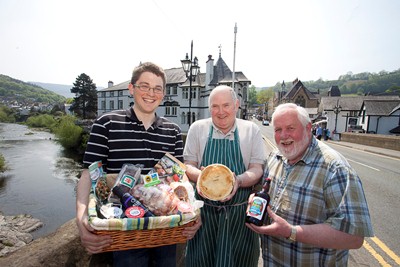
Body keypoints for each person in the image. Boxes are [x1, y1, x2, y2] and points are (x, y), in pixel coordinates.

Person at [75, 62, 191, 266]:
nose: (151, 93)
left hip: (165, 230)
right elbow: (88, 174)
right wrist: (81, 217)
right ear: (132, 88)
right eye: (144, 86)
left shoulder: (172, 131)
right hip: (124, 230)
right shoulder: (106, 123)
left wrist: (191, 214)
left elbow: (178, 179)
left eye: (157, 88)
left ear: (163, 94)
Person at [246, 103, 374, 266]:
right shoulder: (275, 156)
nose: (284, 136)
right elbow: (262, 192)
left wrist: (291, 232)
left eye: (290, 128)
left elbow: (354, 237)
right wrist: (254, 197)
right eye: (278, 130)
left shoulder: (335, 168)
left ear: (308, 128)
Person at [183, 85, 266, 267]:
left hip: (239, 218)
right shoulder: (197, 129)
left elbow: (256, 169)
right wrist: (202, 176)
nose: (220, 112)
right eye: (215, 106)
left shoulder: (251, 130)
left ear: (236, 105)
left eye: (226, 105)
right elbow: (188, 166)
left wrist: (238, 180)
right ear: (209, 107)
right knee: (201, 261)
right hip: (205, 217)